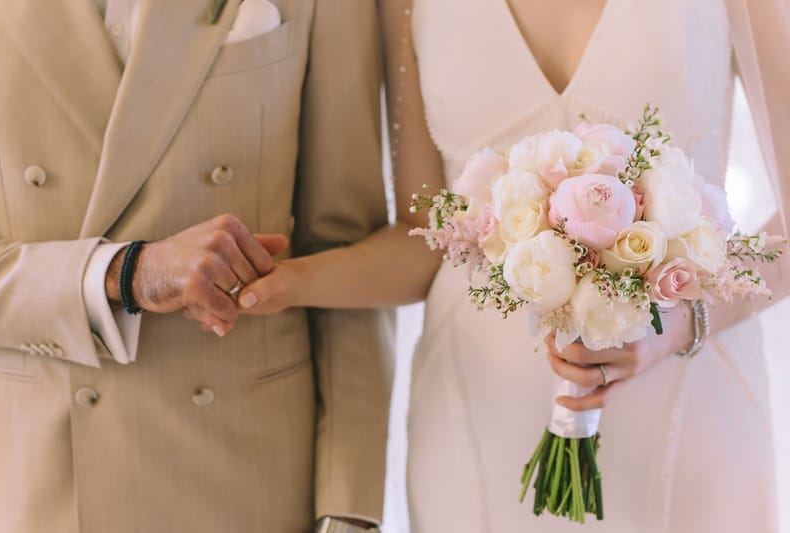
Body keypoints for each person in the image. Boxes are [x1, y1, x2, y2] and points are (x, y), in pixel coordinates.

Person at [239, 0, 790, 531]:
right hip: (478, 416)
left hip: (689, 415)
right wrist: (285, 282)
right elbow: (427, 236)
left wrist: (682, 324)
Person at [0, 1, 393, 532]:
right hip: (41, 483)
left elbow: (343, 252)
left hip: (248, 479)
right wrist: (124, 273)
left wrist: (348, 506)